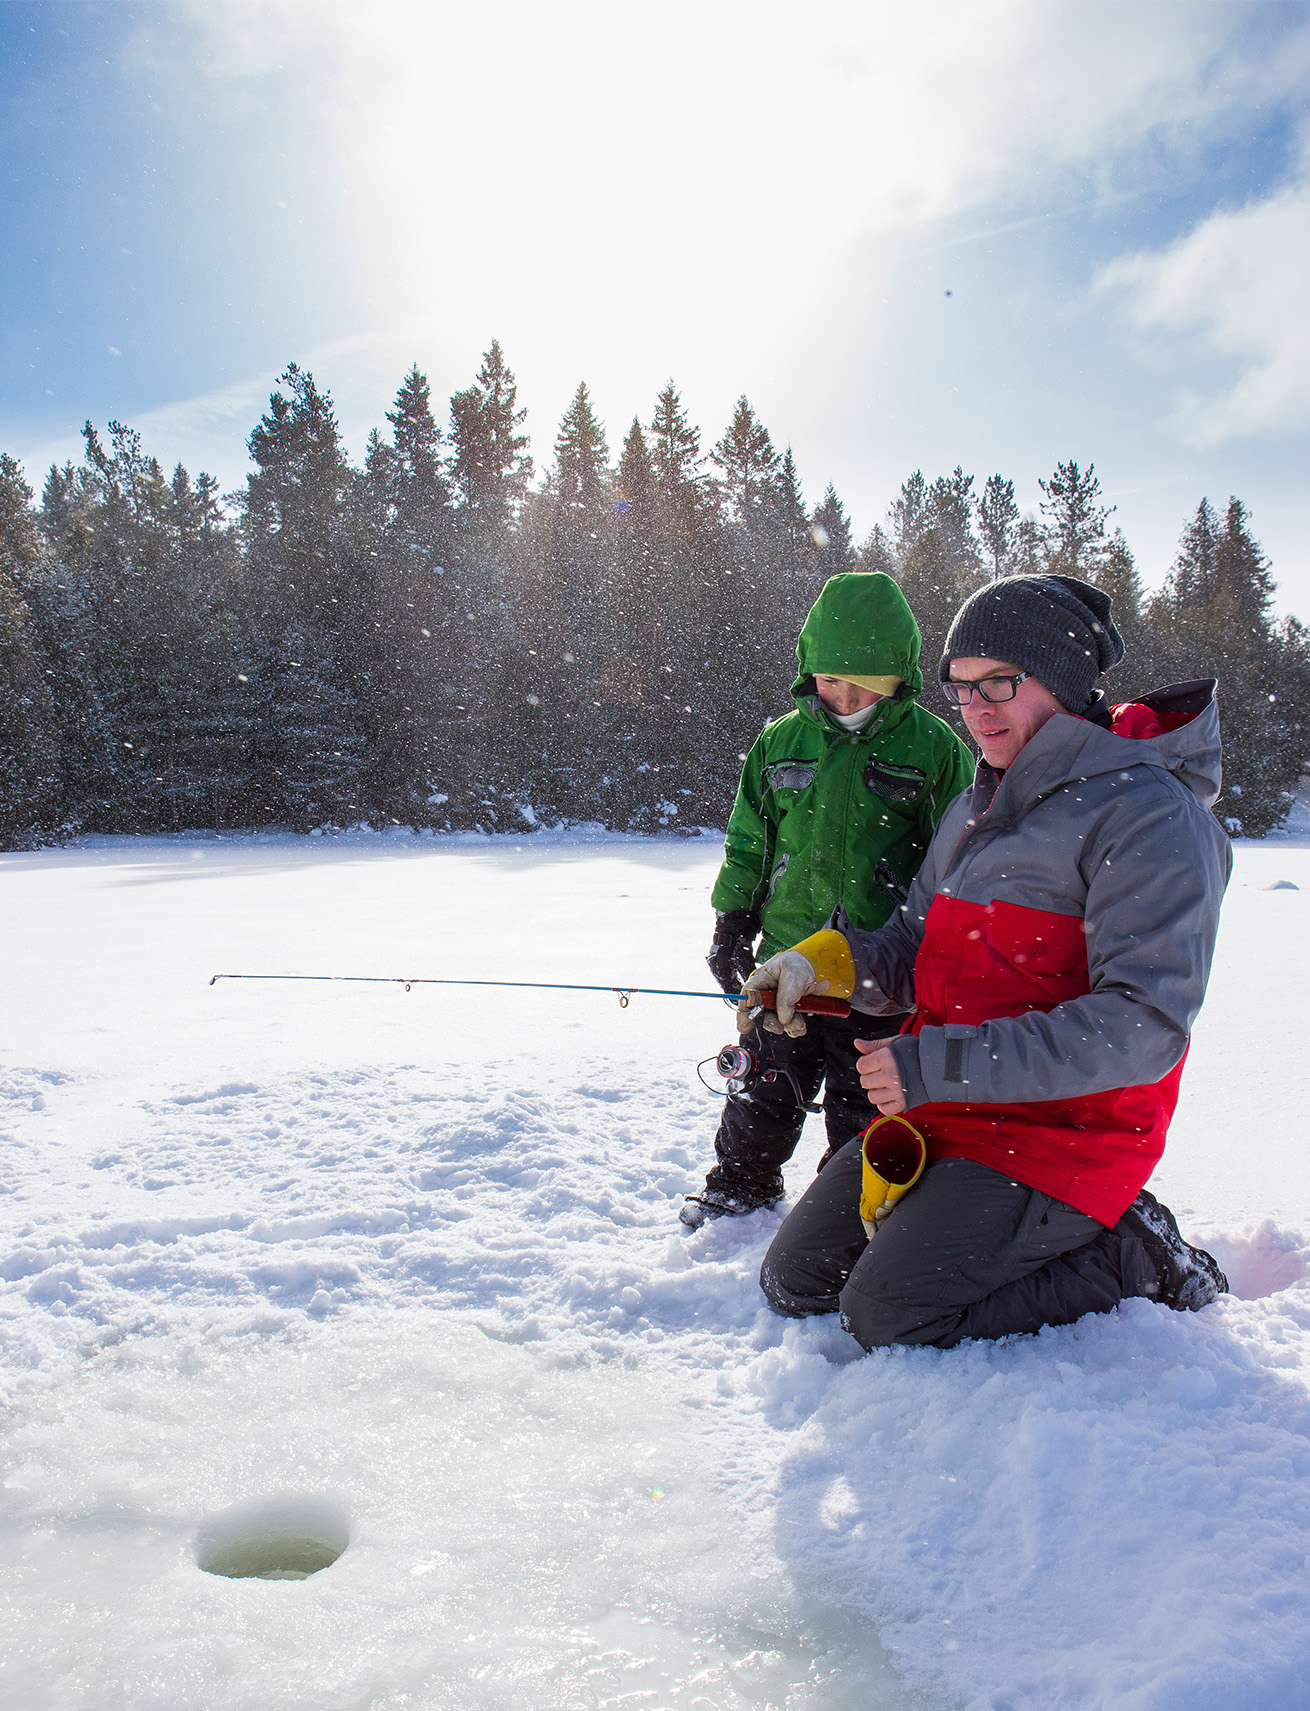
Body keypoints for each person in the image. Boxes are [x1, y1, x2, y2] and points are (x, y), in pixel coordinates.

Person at [747, 573, 1231, 1348]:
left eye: (999, 682)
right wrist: (827, 965)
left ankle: (1134, 1252)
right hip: (945, 1112)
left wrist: (938, 1063)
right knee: (797, 1278)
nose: (976, 708)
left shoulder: (1147, 814)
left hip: (1063, 1135)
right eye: (962, 687)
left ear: (1063, 681)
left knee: (892, 1313)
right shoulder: (978, 804)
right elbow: (914, 945)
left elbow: (1142, 1027)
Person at [683, 571, 974, 1228]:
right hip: (785, 963)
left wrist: (938, 956)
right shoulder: (780, 741)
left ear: (900, 675)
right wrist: (732, 923)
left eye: (862, 681)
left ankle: (844, 1207)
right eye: (828, 677)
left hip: (878, 973)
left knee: (865, 1103)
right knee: (762, 1087)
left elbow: (953, 860)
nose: (842, 695)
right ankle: (740, 1186)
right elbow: (749, 841)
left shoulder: (934, 751)